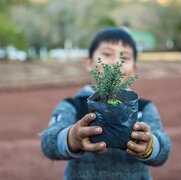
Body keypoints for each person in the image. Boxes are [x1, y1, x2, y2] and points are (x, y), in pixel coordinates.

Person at [40, 27, 171, 180]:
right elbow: (48, 143)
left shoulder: (142, 108)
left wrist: (149, 146)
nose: (116, 62)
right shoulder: (74, 105)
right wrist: (72, 138)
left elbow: (163, 150)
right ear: (89, 63)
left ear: (134, 70)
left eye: (125, 57)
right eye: (107, 54)